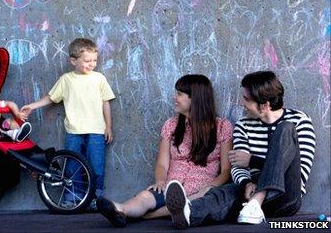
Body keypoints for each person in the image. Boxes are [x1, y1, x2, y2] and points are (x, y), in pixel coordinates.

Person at [165, 70, 316, 228]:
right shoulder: (243, 125)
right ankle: (189, 212)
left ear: (264, 105)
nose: (241, 103)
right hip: (249, 193)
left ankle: (256, 202)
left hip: (284, 195)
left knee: (285, 128)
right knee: (223, 192)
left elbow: (301, 172)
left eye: (246, 99)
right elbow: (237, 166)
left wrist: (252, 160)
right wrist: (246, 183)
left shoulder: (299, 121)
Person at [96, 74, 233, 227]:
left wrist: (212, 186)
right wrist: (160, 181)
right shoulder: (171, 126)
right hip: (171, 188)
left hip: (201, 190)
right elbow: (162, 163)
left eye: (179, 94)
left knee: (199, 199)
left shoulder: (222, 127)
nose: (175, 98)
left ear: (195, 98)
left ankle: (146, 216)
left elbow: (226, 170)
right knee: (145, 196)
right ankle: (120, 209)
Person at [20, 38, 115, 208]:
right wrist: (32, 107)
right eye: (87, 61)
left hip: (96, 131)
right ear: (73, 60)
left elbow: (105, 103)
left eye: (94, 60)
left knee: (97, 166)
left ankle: (96, 198)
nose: (92, 64)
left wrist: (108, 126)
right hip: (74, 131)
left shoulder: (99, 78)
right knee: (72, 166)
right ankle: (73, 196)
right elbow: (51, 97)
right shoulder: (66, 80)